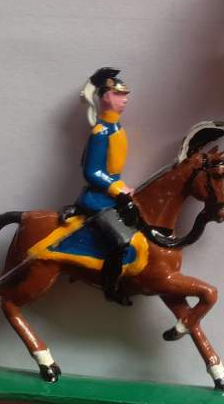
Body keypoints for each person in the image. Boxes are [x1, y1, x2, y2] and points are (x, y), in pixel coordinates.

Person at [76, 67, 138, 305]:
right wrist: (115, 188)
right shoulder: (100, 132)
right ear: (105, 97)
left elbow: (113, 169)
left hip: (113, 192)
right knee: (120, 240)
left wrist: (121, 186)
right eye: (119, 94)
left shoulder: (117, 129)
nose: (125, 99)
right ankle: (110, 287)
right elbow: (91, 172)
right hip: (97, 197)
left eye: (125, 95)